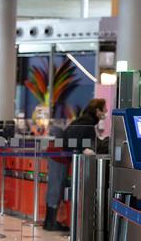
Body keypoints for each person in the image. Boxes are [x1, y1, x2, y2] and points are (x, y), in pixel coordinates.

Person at [43, 98, 107, 231]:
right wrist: (85, 149)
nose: (106, 111)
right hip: (59, 155)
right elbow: (80, 141)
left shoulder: (84, 120)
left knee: (56, 187)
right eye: (104, 109)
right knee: (56, 187)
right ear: (97, 111)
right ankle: (50, 223)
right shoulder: (87, 122)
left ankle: (49, 222)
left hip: (59, 153)